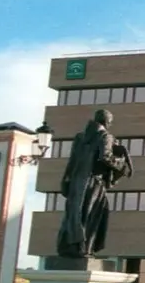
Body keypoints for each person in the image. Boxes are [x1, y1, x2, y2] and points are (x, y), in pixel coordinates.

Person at [56, 109, 133, 258]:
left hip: (77, 181)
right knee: (93, 214)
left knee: (75, 214)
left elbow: (72, 161)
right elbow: (105, 157)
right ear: (107, 122)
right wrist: (121, 165)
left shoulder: (80, 137)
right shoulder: (105, 136)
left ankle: (70, 247)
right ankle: (85, 248)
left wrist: (66, 180)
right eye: (110, 122)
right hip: (94, 182)